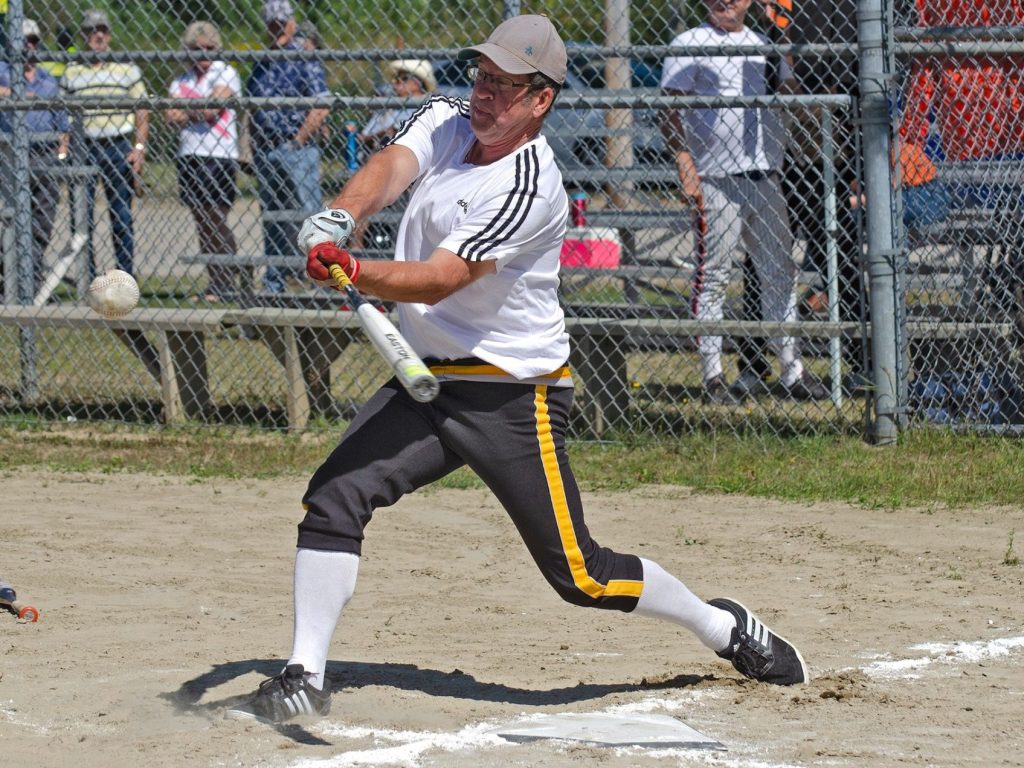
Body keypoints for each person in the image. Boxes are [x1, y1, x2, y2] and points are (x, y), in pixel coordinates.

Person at [226, 14, 809, 726]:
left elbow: (442, 277)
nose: (485, 94)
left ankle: (721, 627)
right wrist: (340, 218)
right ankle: (302, 675)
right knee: (335, 497)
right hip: (426, 380)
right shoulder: (447, 117)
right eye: (483, 77)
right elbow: (392, 167)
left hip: (511, 395)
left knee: (581, 574)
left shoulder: (533, 185)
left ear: (541, 101)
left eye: (506, 86)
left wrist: (354, 269)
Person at [660, 0, 828, 404]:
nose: (725, 2)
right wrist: (685, 162)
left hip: (765, 174)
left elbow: (791, 93)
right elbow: (669, 109)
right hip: (715, 178)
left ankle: (792, 371)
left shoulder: (764, 43)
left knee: (779, 272)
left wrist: (786, 41)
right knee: (714, 274)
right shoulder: (691, 42)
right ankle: (713, 376)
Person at [246, 0, 330, 297]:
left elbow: (321, 103)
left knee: (309, 216)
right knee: (272, 216)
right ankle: (274, 283)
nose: (278, 28)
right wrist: (251, 147)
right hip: (266, 149)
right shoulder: (262, 61)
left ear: (292, 22)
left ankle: (320, 282)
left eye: (282, 22)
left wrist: (298, 140)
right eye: (272, 23)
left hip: (296, 148)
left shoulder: (303, 57)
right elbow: (250, 108)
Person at [60, 8, 148, 278]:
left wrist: (139, 148)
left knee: (121, 215)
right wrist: (63, 150)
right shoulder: (72, 70)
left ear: (109, 35)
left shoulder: (125, 67)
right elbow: (64, 117)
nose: (97, 35)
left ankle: (125, 277)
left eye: (102, 30)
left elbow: (142, 109)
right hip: (84, 147)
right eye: (90, 30)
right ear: (83, 35)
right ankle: (89, 279)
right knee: (81, 216)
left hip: (118, 144)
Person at [165, 21, 244, 304]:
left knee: (216, 217)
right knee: (201, 220)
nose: (204, 54)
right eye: (198, 49)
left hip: (219, 155)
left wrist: (191, 111)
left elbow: (214, 109)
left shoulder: (226, 72)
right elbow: (170, 116)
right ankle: (215, 282)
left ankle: (227, 279)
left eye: (210, 48)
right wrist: (200, 110)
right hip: (189, 155)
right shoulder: (182, 80)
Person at [0, 18, 71, 293]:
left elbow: (63, 124)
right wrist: (18, 94)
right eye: (23, 40)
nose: (29, 45)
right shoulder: (2, 71)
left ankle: (31, 282)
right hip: (8, 156)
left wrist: (61, 155)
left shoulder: (48, 80)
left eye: (33, 40)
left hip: (45, 156)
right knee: (10, 221)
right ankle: (11, 281)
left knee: (41, 223)